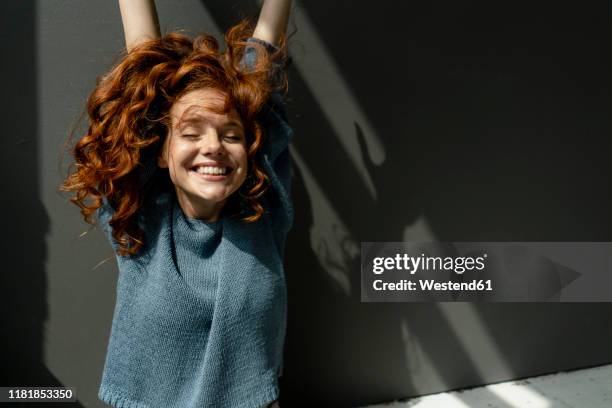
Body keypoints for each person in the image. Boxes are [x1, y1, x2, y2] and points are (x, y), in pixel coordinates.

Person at [61, 0, 293, 407]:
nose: (213, 148)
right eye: (191, 133)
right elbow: (141, 72)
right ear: (163, 152)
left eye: (231, 135)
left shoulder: (264, 213)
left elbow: (262, 71)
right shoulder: (140, 217)